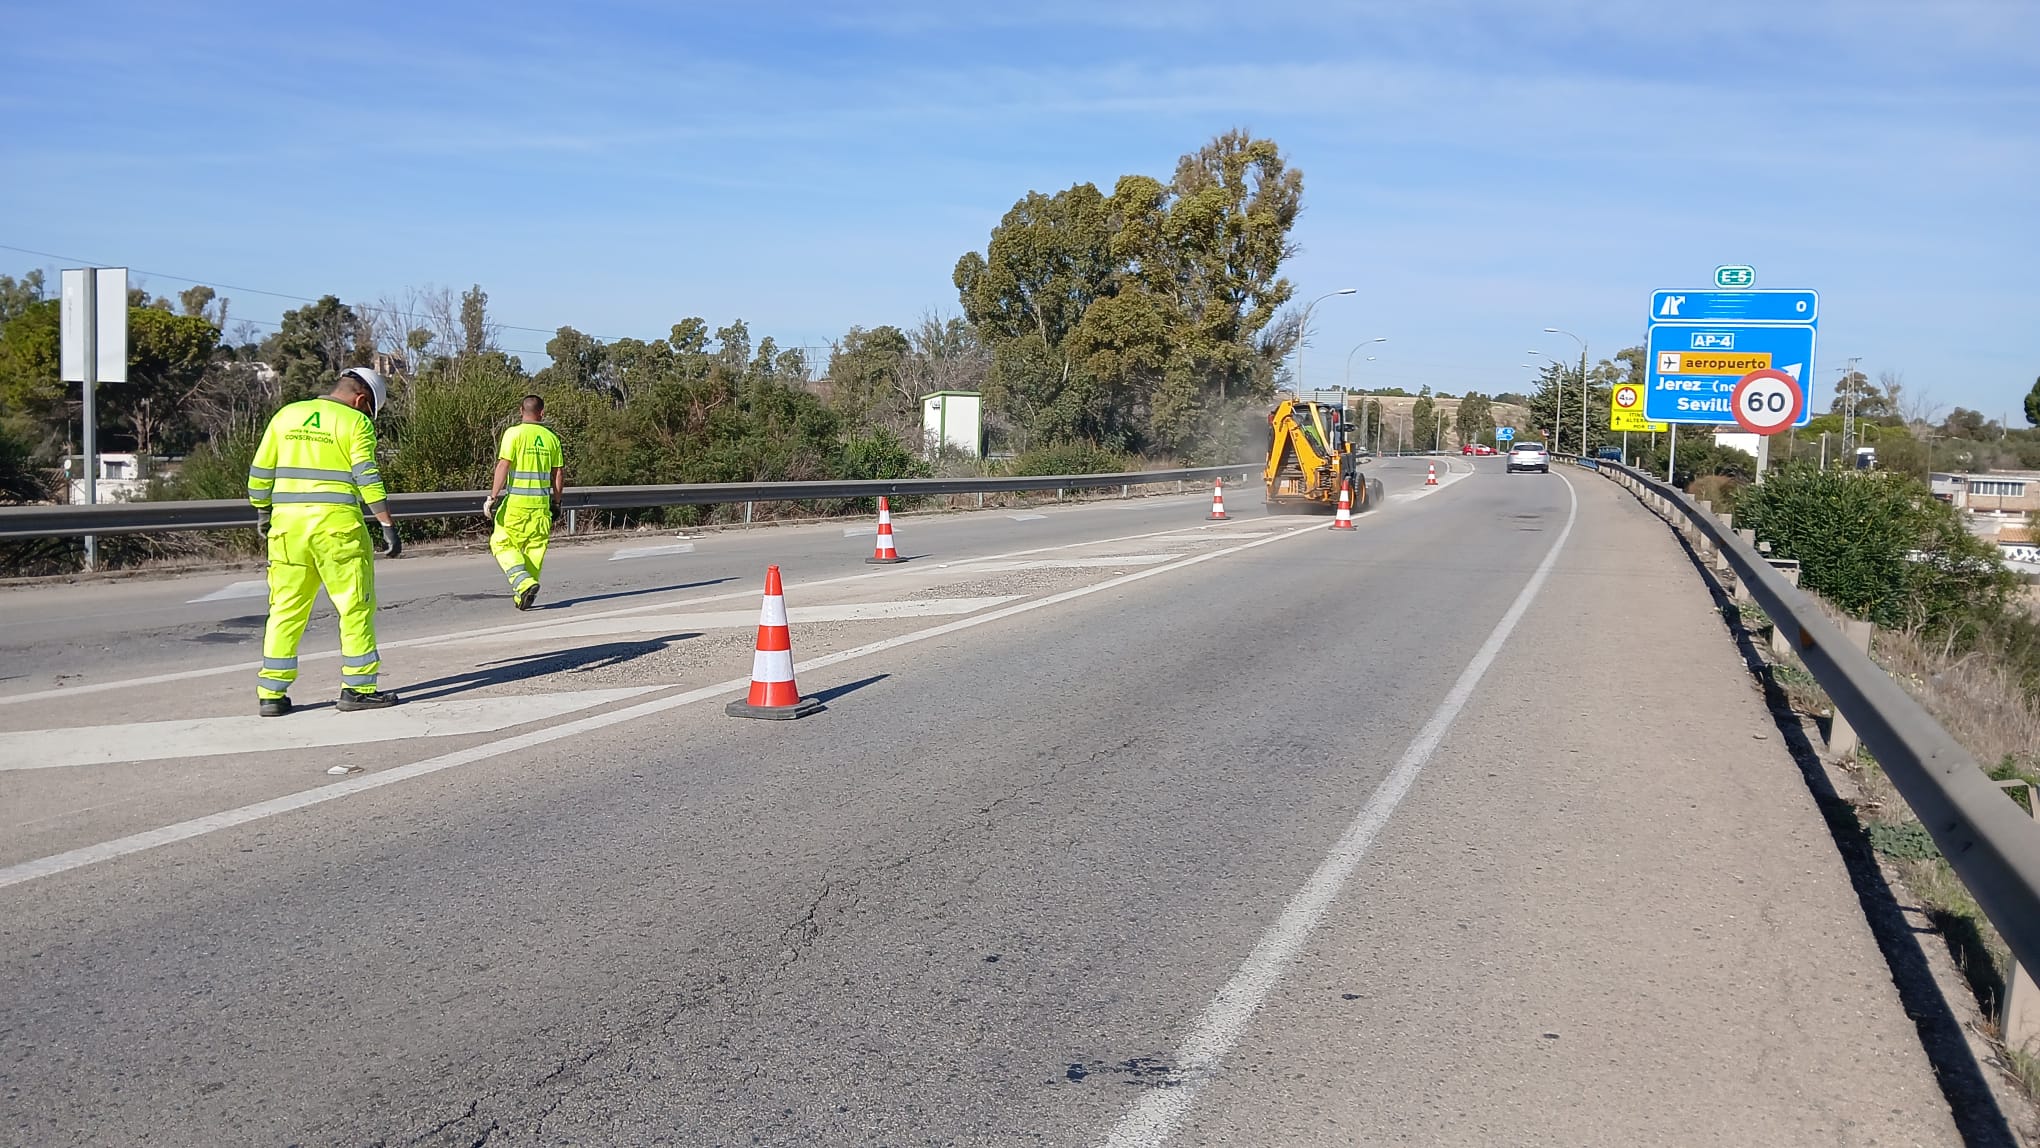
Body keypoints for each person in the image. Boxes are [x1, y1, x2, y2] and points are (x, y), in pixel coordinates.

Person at [247, 367, 402, 717]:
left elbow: (259, 473)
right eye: (368, 410)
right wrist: (386, 523)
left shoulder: (286, 415)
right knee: (354, 606)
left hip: (287, 530)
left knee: (285, 610)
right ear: (361, 400)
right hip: (337, 530)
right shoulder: (355, 423)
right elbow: (366, 476)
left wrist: (262, 512)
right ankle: (359, 689)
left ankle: (272, 693)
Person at [484, 394, 564, 610]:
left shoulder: (513, 434)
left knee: (500, 542)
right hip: (540, 507)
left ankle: (524, 583)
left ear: (521, 411)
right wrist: (556, 503)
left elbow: (503, 466)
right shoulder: (551, 438)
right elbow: (558, 474)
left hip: (516, 506)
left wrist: (492, 496)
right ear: (542, 413)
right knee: (534, 550)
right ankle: (523, 594)